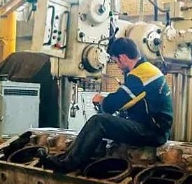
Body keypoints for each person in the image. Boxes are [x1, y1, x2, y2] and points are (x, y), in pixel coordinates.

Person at [43, 37, 173, 172]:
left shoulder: (140, 75)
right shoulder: (146, 70)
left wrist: (102, 100)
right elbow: (127, 101)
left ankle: (68, 165)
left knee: (99, 121)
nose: (117, 66)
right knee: (104, 121)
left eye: (116, 62)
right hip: (152, 127)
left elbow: (112, 104)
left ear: (122, 58)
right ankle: (67, 158)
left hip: (154, 133)